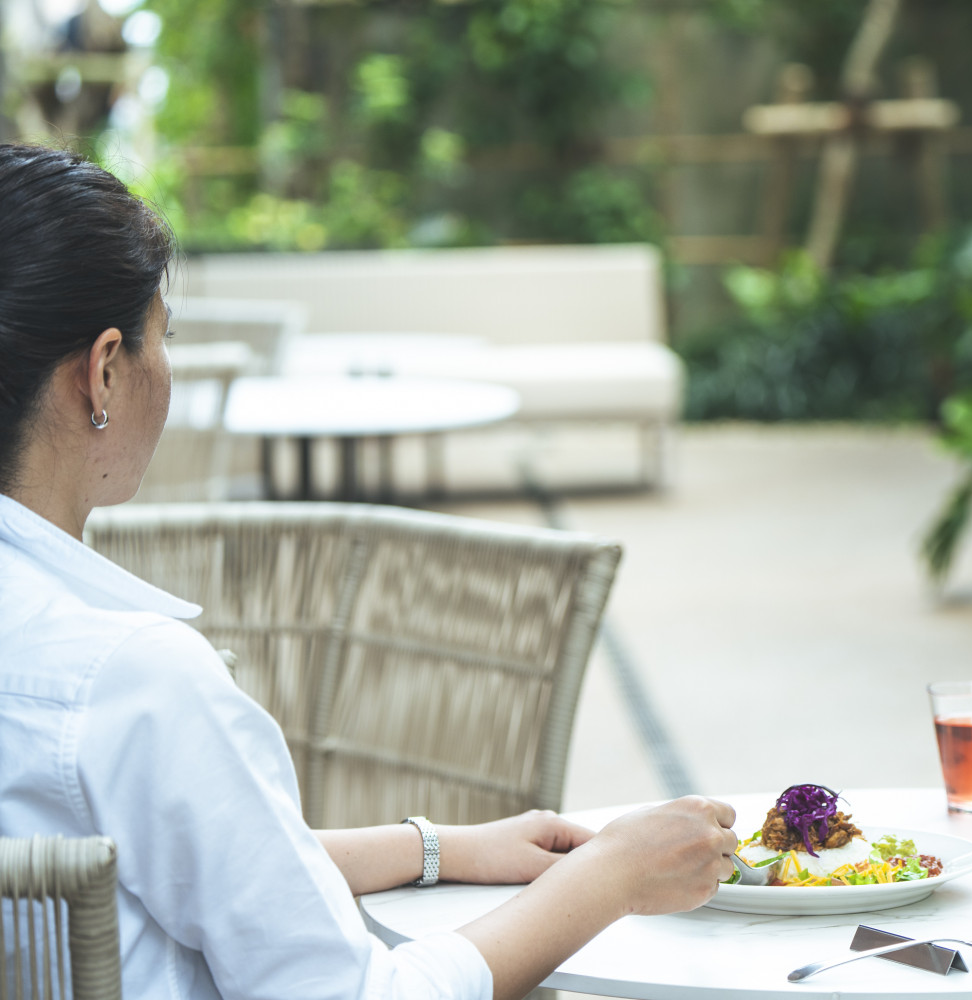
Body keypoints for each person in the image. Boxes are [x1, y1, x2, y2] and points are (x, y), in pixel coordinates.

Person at [0, 143, 736, 1000]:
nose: (167, 370)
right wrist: (610, 877)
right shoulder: (131, 681)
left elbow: (196, 864)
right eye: (166, 339)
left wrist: (437, 848)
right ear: (103, 372)